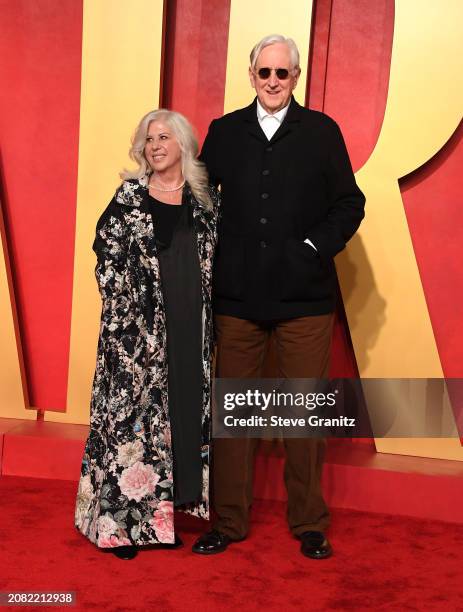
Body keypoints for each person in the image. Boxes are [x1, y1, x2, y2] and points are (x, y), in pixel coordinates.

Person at [192, 34, 365, 559]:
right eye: (264, 72)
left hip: (304, 300)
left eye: (282, 73)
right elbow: (196, 199)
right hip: (237, 299)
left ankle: (309, 522)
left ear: (296, 77)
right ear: (251, 75)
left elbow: (350, 203)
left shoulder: (320, 132)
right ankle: (227, 521)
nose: (272, 82)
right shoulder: (224, 132)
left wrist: (313, 247)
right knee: (234, 417)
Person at [75, 110, 219, 560]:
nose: (155, 145)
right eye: (148, 139)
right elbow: (106, 253)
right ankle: (120, 527)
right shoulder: (129, 197)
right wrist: (129, 310)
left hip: (188, 324)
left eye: (164, 137)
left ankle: (164, 517)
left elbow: (217, 261)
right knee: (132, 423)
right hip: (135, 335)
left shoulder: (205, 199)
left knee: (178, 413)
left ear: (182, 145)